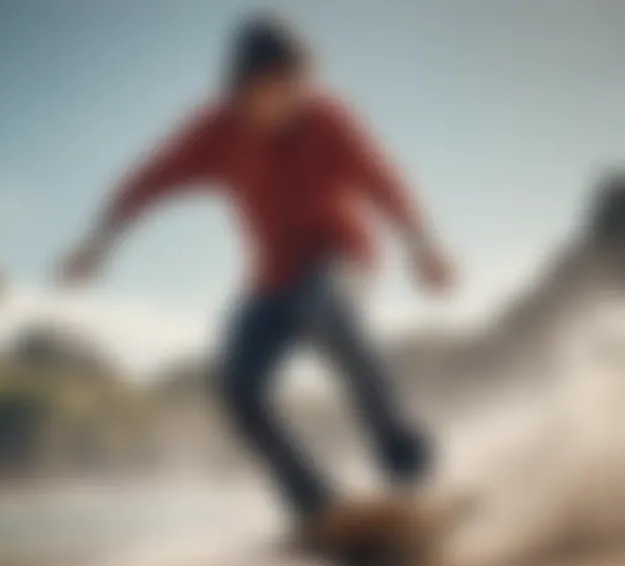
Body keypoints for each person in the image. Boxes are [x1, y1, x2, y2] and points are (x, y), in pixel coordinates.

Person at [57, 16, 456, 535]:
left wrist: (421, 244)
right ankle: (314, 503)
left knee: (326, 305)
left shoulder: (327, 119)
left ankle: (401, 451)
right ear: (240, 90)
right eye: (270, 89)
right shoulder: (214, 132)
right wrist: (99, 240)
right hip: (271, 283)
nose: (285, 101)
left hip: (342, 258)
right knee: (236, 384)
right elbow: (150, 176)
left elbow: (382, 178)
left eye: (294, 86)